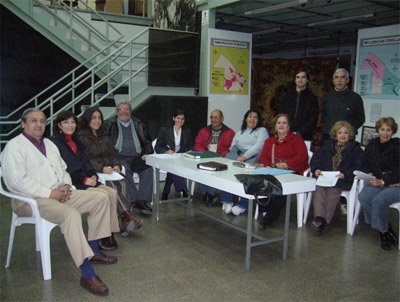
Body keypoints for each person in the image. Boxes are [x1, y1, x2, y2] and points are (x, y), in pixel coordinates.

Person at [1, 108, 116, 296]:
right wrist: (50, 193)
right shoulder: (14, 147)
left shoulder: (48, 144)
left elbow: (63, 170)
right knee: (70, 215)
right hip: (30, 200)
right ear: (23, 124)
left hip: (59, 193)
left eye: (42, 121)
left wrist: (66, 187)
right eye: (33, 121)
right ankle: (87, 273)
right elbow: (17, 182)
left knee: (101, 197)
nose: (39, 124)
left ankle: (94, 250)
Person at [51, 110, 142, 251]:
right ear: (59, 125)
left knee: (112, 192)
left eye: (73, 122)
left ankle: (110, 233)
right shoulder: (55, 143)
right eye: (66, 122)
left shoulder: (76, 141)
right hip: (73, 182)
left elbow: (86, 162)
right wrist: (87, 177)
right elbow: (65, 169)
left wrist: (93, 174)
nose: (70, 125)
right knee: (105, 195)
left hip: (89, 177)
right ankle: (116, 226)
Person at [76, 107, 144, 237]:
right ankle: (128, 216)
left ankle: (124, 220)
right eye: (94, 118)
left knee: (123, 182)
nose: (97, 121)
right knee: (112, 186)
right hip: (94, 171)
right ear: (87, 119)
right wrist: (101, 168)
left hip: (109, 170)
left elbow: (112, 154)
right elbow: (85, 159)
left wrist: (116, 165)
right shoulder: (81, 136)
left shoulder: (104, 134)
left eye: (99, 118)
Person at [321, 68, 365, 215]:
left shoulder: (355, 98)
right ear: (333, 80)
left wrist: (346, 132)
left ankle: (343, 202)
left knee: (344, 169)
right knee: (328, 168)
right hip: (329, 139)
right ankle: (325, 202)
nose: (339, 80)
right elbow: (324, 116)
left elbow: (361, 118)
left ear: (347, 80)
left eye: (342, 78)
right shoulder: (327, 96)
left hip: (347, 142)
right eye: (336, 78)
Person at [310, 121, 363, 233]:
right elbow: (316, 159)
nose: (342, 135)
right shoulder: (327, 146)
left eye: (346, 133)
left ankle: (324, 221)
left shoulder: (355, 150)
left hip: (342, 179)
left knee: (333, 192)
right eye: (340, 133)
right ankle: (319, 218)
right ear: (335, 134)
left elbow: (357, 166)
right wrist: (317, 169)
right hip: (326, 177)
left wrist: (345, 174)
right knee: (319, 190)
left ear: (350, 135)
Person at [258, 114, 309, 229]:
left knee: (281, 187)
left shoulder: (296, 139)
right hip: (273, 171)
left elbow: (302, 157)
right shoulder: (269, 141)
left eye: (284, 123)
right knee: (260, 182)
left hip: (291, 171)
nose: (281, 125)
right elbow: (263, 158)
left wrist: (287, 164)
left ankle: (269, 218)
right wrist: (267, 166)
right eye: (278, 123)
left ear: (289, 126)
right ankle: (265, 208)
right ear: (275, 126)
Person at [104, 101, 154, 215]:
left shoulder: (138, 124)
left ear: (130, 111)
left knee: (148, 169)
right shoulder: (110, 124)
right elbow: (105, 144)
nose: (124, 112)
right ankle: (135, 200)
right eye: (121, 109)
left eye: (126, 109)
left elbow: (147, 142)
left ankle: (143, 200)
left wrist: (147, 153)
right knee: (125, 171)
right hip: (119, 157)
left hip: (137, 156)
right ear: (117, 112)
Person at [358, 117, 399, 251]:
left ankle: (383, 233)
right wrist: (367, 173)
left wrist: (383, 181)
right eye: (382, 129)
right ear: (378, 130)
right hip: (375, 181)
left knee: (379, 200)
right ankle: (386, 228)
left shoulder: (398, 145)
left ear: (393, 131)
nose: (385, 133)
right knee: (364, 197)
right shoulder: (372, 146)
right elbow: (364, 164)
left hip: (395, 183)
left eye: (389, 130)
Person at [221, 109, 269, 215]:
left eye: (255, 117)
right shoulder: (239, 133)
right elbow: (232, 146)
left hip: (253, 160)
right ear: (246, 119)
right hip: (237, 158)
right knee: (226, 173)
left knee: (247, 178)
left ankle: (242, 205)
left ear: (258, 120)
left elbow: (259, 146)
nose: (252, 119)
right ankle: (227, 201)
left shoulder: (261, 131)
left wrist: (244, 156)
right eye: (250, 116)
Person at [193, 109, 235, 206]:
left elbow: (232, 148)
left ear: (222, 119)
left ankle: (209, 194)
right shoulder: (204, 131)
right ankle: (206, 194)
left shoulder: (229, 132)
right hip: (205, 157)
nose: (213, 119)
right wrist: (206, 154)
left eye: (216, 117)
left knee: (215, 170)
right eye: (212, 117)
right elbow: (197, 145)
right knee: (200, 168)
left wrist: (220, 155)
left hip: (221, 159)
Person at [155, 109, 193, 200]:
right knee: (174, 166)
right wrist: (166, 151)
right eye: (178, 118)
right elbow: (158, 147)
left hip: (181, 158)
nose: (180, 121)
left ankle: (165, 192)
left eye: (182, 119)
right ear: (173, 118)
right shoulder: (164, 130)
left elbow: (189, 146)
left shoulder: (186, 131)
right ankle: (183, 189)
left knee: (173, 168)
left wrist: (189, 151)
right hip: (167, 157)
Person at [278, 69, 319, 143]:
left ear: (307, 80)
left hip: (304, 136)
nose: (300, 80)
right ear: (295, 80)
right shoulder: (287, 97)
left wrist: (299, 132)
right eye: (298, 77)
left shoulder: (312, 98)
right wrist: (286, 131)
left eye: (303, 77)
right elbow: (281, 115)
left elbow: (313, 119)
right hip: (286, 134)